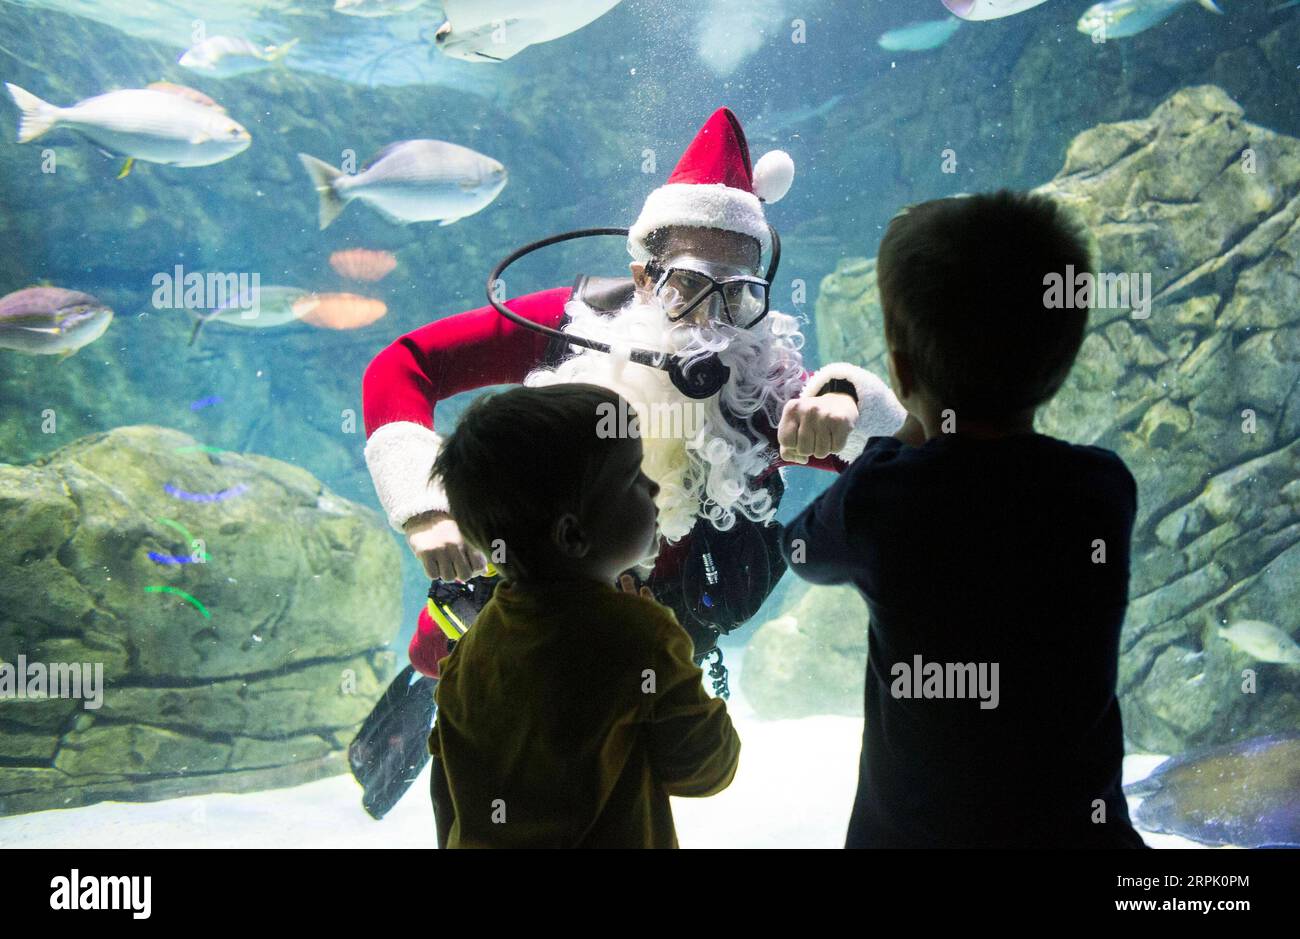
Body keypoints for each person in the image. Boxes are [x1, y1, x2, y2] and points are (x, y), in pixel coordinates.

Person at [361, 106, 906, 681]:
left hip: (652, 660)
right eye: (690, 285)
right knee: (444, 672)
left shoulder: (757, 387)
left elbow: (899, 451)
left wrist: (845, 398)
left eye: (738, 294)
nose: (711, 323)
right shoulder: (571, 325)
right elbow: (405, 364)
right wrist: (425, 511)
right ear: (645, 277)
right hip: (497, 625)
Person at [781, 190, 1148, 848]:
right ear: (1060, 361)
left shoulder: (880, 496)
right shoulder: (1102, 488)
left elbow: (800, 550)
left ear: (899, 367)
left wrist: (883, 426)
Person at [426, 382, 741, 848]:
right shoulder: (640, 635)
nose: (653, 487)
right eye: (633, 476)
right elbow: (706, 769)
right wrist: (671, 650)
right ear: (573, 535)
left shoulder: (474, 645)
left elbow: (446, 790)